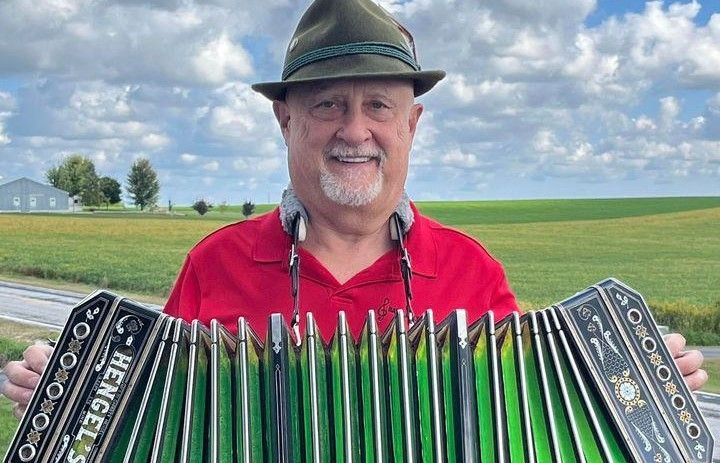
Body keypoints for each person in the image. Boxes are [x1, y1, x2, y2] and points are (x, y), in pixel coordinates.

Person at [1, 0, 707, 421]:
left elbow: (534, 422)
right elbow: (147, 423)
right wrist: (61, 392)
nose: (355, 130)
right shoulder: (213, 265)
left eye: (378, 106)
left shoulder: (471, 272)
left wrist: (633, 386)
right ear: (286, 121)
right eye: (328, 104)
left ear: (412, 124)